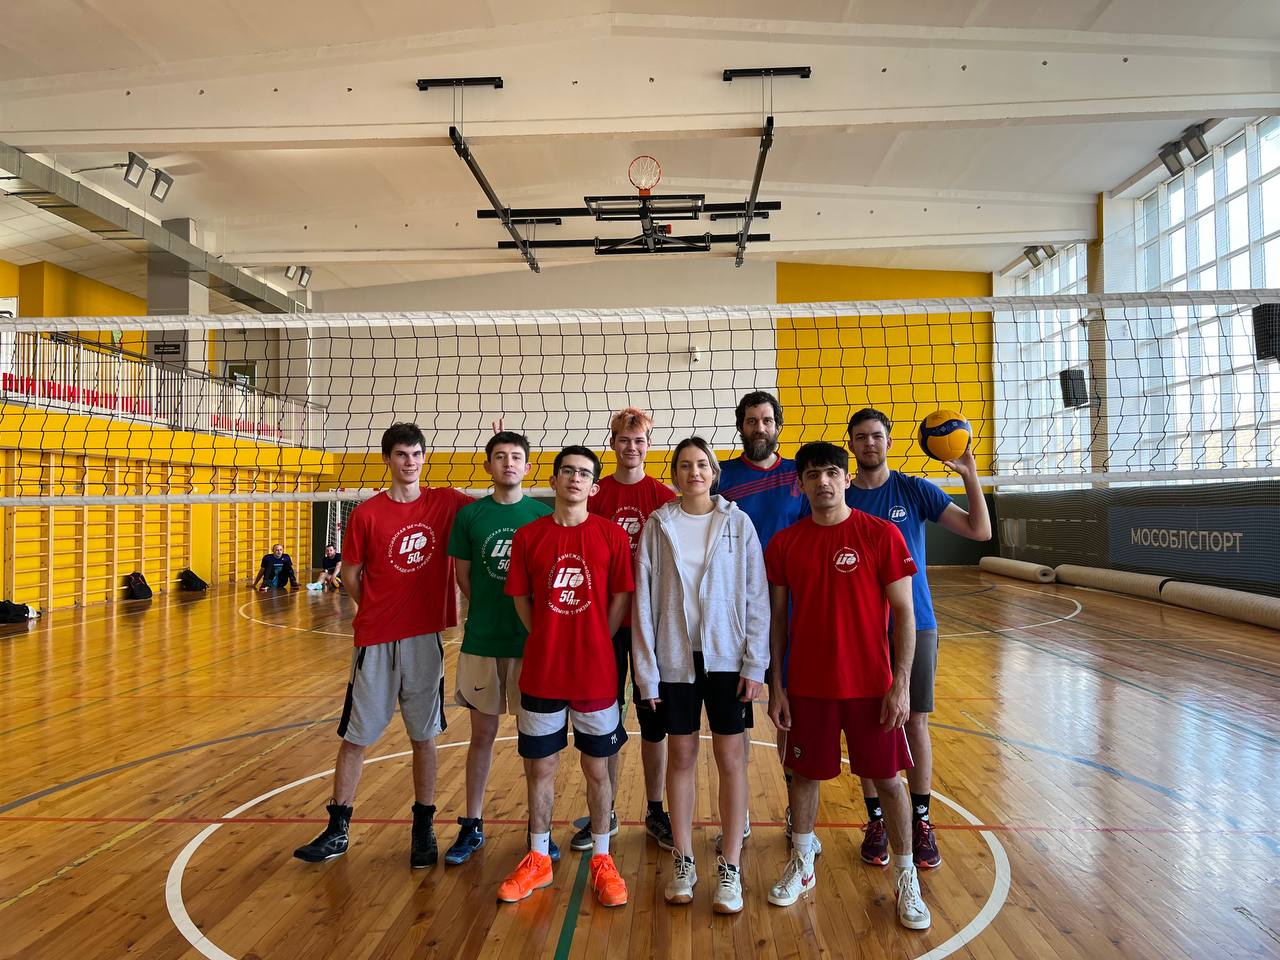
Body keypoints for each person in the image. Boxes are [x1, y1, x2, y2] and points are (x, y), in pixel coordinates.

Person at [765, 441, 930, 930]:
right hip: (808, 686)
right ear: (800, 484)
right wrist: (778, 686)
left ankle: (906, 876)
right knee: (804, 777)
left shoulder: (881, 534)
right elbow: (777, 621)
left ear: (846, 478)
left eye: (832, 473)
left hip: (871, 687)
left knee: (889, 781)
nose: (823, 482)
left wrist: (901, 682)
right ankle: (802, 863)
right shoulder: (785, 544)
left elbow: (904, 613)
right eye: (812, 474)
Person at [292, 422, 472, 868]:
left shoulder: (444, 502)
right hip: (375, 638)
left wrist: (498, 453)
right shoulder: (367, 514)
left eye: (415, 454)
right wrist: (377, 608)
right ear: (388, 460)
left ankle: (423, 827)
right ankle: (338, 829)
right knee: (356, 736)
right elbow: (351, 574)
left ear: (424, 458)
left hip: (424, 638)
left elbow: (497, 506)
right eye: (401, 455)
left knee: (424, 736)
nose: (409, 462)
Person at [846, 408, 991, 871]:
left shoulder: (913, 489)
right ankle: (877, 821)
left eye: (877, 436)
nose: (870, 443)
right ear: (852, 445)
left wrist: (969, 475)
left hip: (916, 622)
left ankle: (922, 821)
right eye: (861, 437)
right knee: (870, 724)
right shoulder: (842, 495)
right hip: (862, 627)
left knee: (915, 722)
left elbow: (979, 531)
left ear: (889, 442)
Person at [632, 436, 769, 914]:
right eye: (685, 465)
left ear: (714, 472)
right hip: (675, 660)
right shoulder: (658, 525)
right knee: (682, 757)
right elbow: (643, 604)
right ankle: (684, 860)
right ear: (675, 474)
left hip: (727, 659)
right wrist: (646, 673)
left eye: (702, 464)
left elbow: (756, 596)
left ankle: (730, 865)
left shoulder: (738, 523)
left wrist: (755, 663)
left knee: (731, 759)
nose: (694, 472)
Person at [498, 446, 635, 908]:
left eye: (584, 474)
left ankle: (602, 857)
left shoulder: (611, 535)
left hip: (596, 673)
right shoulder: (528, 536)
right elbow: (520, 598)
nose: (575, 478)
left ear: (594, 487)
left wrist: (596, 637)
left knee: (597, 768)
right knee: (541, 767)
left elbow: (620, 598)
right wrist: (546, 635)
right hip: (543, 672)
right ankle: (538, 857)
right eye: (568, 471)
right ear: (554, 480)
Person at [444, 430, 553, 865]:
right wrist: (488, 613)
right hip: (483, 642)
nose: (509, 463)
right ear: (488, 465)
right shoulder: (470, 516)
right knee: (482, 736)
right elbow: (464, 578)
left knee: (535, 741)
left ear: (528, 467)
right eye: (500, 456)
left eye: (516, 457)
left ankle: (538, 830)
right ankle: (472, 823)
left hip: (531, 645)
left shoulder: (542, 515)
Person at [714, 390, 810, 851]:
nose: (759, 428)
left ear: (778, 426)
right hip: (737, 614)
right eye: (751, 421)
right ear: (741, 427)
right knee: (737, 722)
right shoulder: (721, 476)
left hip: (792, 612)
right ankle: (741, 816)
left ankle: (797, 815)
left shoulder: (800, 474)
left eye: (767, 420)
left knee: (790, 717)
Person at [581, 407, 677, 852]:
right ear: (613, 443)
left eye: (639, 441)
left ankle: (656, 810)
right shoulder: (595, 495)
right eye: (624, 440)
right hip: (605, 624)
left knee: (654, 721)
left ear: (648, 445)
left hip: (651, 626)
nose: (631, 447)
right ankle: (607, 812)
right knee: (606, 718)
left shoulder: (663, 496)